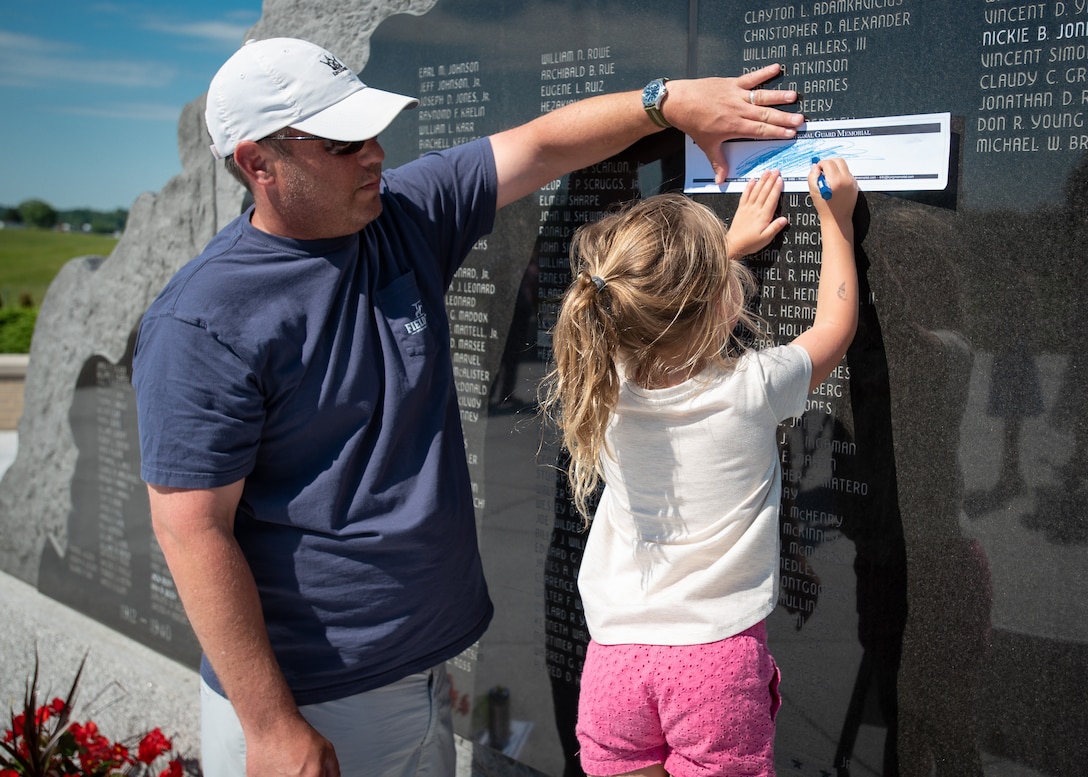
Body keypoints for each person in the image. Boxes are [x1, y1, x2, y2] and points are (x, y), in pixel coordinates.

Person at [131, 35, 804, 777]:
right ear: (260, 163)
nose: (375, 155)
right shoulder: (202, 320)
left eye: (374, 132)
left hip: (425, 667)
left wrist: (666, 103)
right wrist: (270, 725)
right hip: (313, 698)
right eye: (343, 142)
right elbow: (189, 525)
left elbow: (543, 146)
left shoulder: (399, 217)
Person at [540, 160, 859, 777]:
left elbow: (656, 307)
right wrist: (837, 222)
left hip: (613, 661)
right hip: (713, 662)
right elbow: (834, 328)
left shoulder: (603, 386)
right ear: (719, 300)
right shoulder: (753, 387)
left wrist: (722, 250)